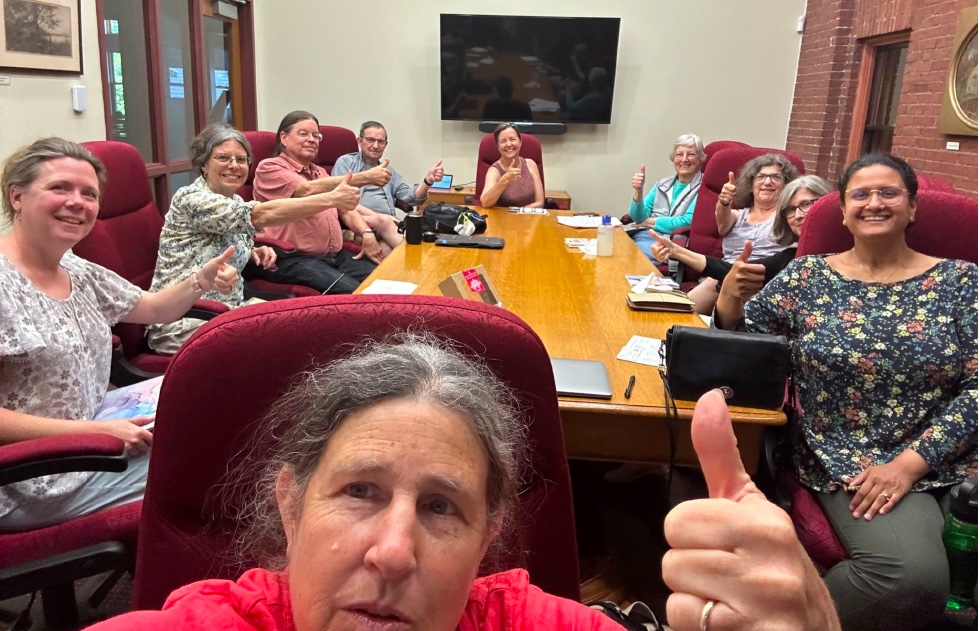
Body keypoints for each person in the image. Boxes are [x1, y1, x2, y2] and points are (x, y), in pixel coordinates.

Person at [86, 336, 840, 631]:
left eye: (441, 506)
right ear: (290, 503)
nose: (392, 551)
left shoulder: (529, 623)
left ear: (488, 533)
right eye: (359, 491)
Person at [716, 153, 978, 631]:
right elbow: (748, 349)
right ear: (842, 211)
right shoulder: (807, 277)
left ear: (912, 207)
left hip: (954, 449)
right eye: (861, 193)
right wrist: (730, 297)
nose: (874, 203)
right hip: (853, 454)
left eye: (889, 192)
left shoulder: (963, 282)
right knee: (907, 577)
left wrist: (912, 462)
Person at [0, 137, 239, 530]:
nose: (77, 202)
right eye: (60, 188)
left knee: (215, 408)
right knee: (220, 464)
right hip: (33, 478)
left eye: (89, 194)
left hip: (94, 433)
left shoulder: (75, 268)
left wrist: (201, 278)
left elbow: (154, 308)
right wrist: (96, 431)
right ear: (17, 197)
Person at [146, 123, 361, 354]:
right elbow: (262, 213)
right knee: (295, 346)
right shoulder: (192, 199)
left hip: (227, 310)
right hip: (184, 320)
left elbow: (215, 243)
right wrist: (331, 199)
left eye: (241, 159)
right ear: (204, 164)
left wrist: (251, 252)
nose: (233, 166)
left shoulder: (234, 200)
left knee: (306, 324)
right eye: (223, 158)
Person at [252, 111, 388, 293]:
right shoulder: (270, 167)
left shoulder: (319, 172)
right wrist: (364, 177)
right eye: (303, 134)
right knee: (356, 294)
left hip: (334, 256)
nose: (312, 140)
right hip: (293, 259)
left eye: (316, 136)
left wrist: (366, 233)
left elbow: (346, 210)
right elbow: (304, 190)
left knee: (384, 282)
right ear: (284, 138)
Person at [651, 174, 832, 295]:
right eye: (791, 209)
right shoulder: (790, 257)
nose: (799, 215)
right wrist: (675, 251)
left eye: (807, 204)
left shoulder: (851, 252)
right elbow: (729, 270)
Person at [687, 153, 800, 314]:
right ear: (751, 184)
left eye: (776, 177)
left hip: (766, 282)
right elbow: (722, 223)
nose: (767, 182)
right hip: (723, 277)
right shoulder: (736, 215)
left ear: (786, 185)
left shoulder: (788, 216)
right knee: (681, 313)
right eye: (761, 176)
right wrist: (724, 201)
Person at [331, 121, 444, 221]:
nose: (376, 146)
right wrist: (381, 218)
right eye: (370, 140)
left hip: (387, 223)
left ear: (385, 145)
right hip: (359, 222)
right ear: (359, 141)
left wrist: (428, 181)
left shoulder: (389, 172)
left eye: (380, 142)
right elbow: (341, 199)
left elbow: (411, 198)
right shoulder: (346, 163)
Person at [627, 134, 705, 264]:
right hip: (643, 234)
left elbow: (687, 222)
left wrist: (649, 221)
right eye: (679, 154)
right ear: (673, 158)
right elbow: (637, 217)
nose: (684, 159)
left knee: (628, 257)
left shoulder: (704, 188)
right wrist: (638, 191)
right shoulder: (662, 184)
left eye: (690, 154)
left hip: (668, 242)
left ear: (700, 159)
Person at [479, 123, 545, 208]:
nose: (509, 144)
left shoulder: (530, 164)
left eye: (512, 139)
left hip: (529, 217)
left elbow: (540, 202)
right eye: (503, 141)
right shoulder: (494, 171)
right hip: (503, 219)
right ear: (498, 147)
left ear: (520, 142)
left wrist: (520, 213)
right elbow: (485, 203)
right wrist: (505, 179)